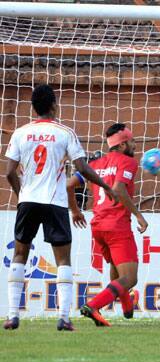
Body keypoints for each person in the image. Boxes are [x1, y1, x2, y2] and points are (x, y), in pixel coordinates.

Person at [3, 84, 116, 331]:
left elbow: (10, 171)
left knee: (20, 254)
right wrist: (106, 186)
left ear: (32, 107)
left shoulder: (20, 133)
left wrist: (21, 194)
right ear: (55, 105)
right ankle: (64, 318)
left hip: (29, 201)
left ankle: (12, 316)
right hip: (54, 202)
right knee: (62, 259)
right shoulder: (65, 133)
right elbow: (83, 169)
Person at [66, 123, 148, 326]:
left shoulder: (95, 163)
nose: (135, 145)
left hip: (98, 226)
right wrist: (139, 215)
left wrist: (75, 211)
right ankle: (93, 306)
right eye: (132, 141)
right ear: (121, 145)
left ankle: (128, 309)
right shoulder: (128, 162)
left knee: (117, 273)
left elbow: (69, 185)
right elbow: (119, 190)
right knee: (130, 279)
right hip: (117, 225)